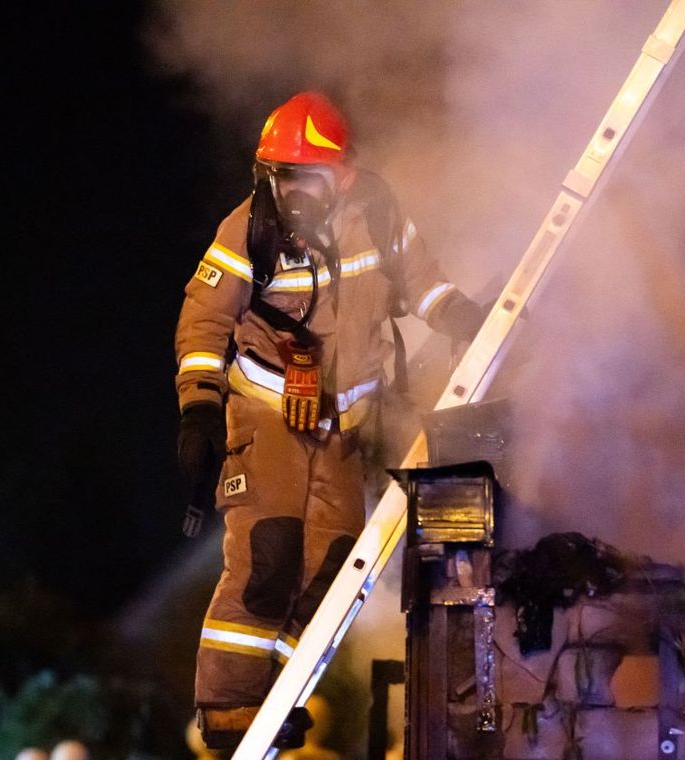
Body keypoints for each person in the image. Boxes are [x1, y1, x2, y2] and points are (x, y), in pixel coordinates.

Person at [173, 91, 485, 752]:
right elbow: (203, 321)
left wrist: (461, 317)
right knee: (269, 558)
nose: (288, 191)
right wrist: (199, 407)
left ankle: (275, 694)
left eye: (302, 175)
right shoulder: (246, 229)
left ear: (341, 173)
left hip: (343, 429)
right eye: (275, 175)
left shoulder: (379, 213)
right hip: (266, 418)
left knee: (332, 570)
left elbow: (423, 284)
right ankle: (229, 709)